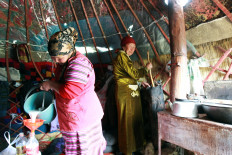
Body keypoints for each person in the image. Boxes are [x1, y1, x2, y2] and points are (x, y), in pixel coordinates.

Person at [40, 27, 106, 155]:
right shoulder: (65, 63)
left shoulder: (79, 64)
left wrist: (50, 84)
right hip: (73, 118)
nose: (55, 61)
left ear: (70, 51)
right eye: (53, 58)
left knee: (86, 151)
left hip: (83, 119)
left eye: (59, 58)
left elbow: (70, 91)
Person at [113, 36, 153, 155]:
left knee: (135, 118)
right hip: (125, 93)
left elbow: (129, 76)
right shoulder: (121, 56)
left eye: (134, 48)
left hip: (131, 92)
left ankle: (137, 145)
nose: (132, 50)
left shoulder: (125, 58)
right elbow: (134, 74)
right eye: (130, 47)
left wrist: (140, 82)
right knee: (126, 120)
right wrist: (145, 69)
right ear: (124, 46)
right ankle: (127, 149)